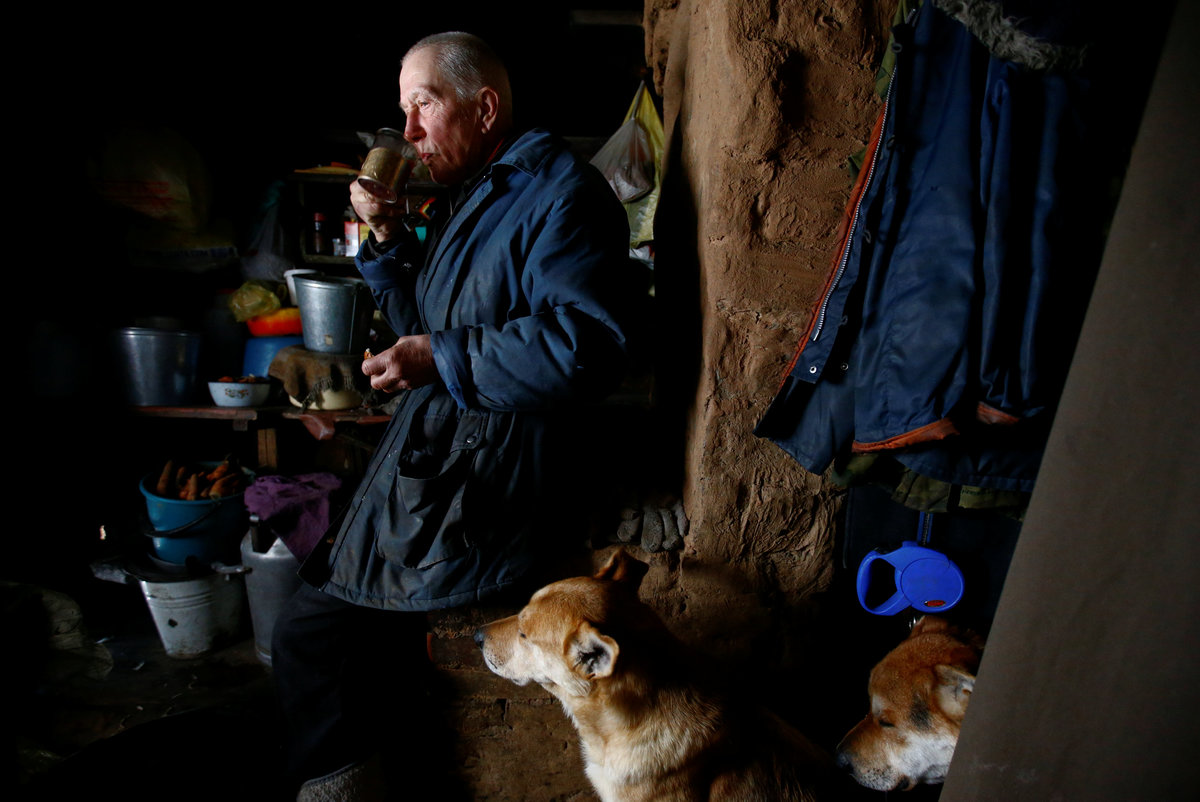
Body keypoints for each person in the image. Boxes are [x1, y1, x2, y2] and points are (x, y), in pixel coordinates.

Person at [270, 31, 642, 800]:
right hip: (442, 457)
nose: (408, 132)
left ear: (486, 108)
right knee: (348, 621)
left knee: (309, 632)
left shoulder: (560, 195)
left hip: (491, 476)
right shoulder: (479, 197)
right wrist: (387, 235)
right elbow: (425, 320)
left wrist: (438, 358)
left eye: (424, 105)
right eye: (403, 111)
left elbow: (587, 347)